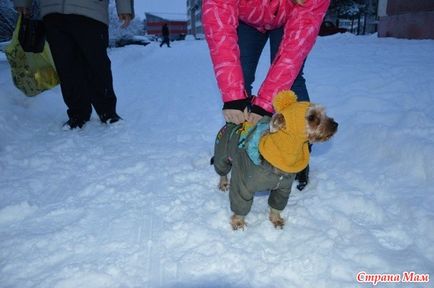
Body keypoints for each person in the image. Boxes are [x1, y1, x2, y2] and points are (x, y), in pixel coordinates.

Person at [203, 0, 330, 189]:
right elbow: (219, 20)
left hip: (291, 17)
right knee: (240, 76)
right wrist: (233, 96)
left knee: (292, 82)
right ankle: (232, 146)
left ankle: (298, 155)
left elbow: (291, 56)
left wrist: (265, 104)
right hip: (247, 17)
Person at [13, 0, 135, 129]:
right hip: (52, 11)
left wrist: (124, 7)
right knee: (66, 67)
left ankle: (108, 112)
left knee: (97, 64)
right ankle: (78, 114)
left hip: (91, 10)